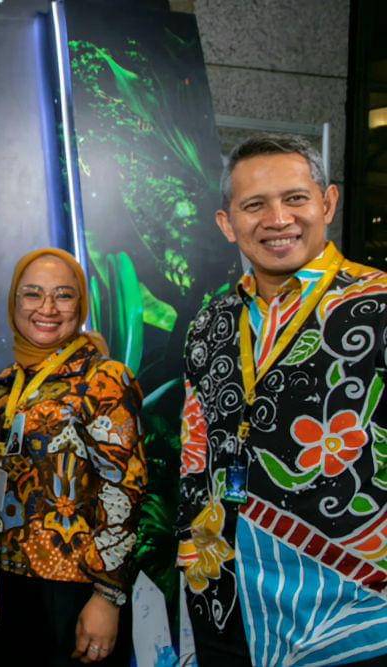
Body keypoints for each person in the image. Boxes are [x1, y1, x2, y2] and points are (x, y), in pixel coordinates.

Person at [178, 134, 387, 666]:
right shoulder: (211, 322)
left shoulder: (380, 305)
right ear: (227, 223)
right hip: (225, 602)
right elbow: (194, 458)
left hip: (354, 611)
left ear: (328, 203)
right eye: (254, 205)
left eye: (295, 198)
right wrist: (190, 559)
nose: (277, 219)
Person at [0, 248, 146, 666]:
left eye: (63, 295)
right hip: (3, 585)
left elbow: (125, 490)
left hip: (77, 589)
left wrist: (108, 595)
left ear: (80, 305)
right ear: (14, 302)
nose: (47, 308)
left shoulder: (103, 379)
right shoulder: (2, 384)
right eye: (32, 294)